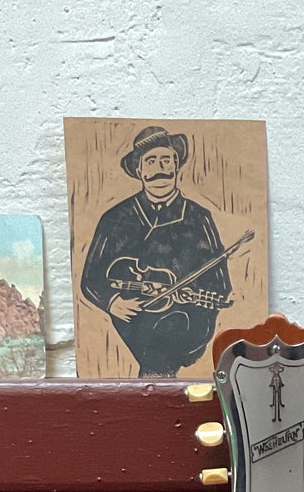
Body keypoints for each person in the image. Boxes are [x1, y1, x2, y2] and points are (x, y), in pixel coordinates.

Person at [79, 126, 234, 377]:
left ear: (176, 166)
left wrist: (192, 297)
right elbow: (90, 278)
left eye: (166, 160)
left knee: (171, 330)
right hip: (134, 317)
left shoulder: (198, 217)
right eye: (150, 161)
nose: (159, 169)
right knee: (153, 339)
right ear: (139, 170)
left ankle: (153, 386)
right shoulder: (114, 218)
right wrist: (112, 301)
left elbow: (220, 284)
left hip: (188, 318)